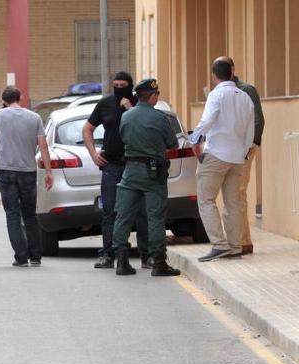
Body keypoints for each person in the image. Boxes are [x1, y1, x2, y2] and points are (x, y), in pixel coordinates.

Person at [111, 79, 182, 276]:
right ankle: (158, 262)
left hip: (130, 172)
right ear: (152, 96)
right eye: (156, 94)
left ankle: (122, 261)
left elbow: (123, 136)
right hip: (153, 174)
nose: (157, 97)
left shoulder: (127, 116)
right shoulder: (160, 118)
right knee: (155, 218)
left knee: (123, 216)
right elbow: (172, 143)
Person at [188, 59, 255, 262]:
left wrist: (194, 138)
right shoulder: (245, 97)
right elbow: (250, 131)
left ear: (213, 75)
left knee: (206, 200)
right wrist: (243, 153)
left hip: (216, 154)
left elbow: (207, 120)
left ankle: (219, 245)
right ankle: (235, 247)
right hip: (237, 157)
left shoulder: (216, 95)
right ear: (232, 74)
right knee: (233, 203)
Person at [83, 72, 150, 269]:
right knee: (110, 211)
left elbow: (146, 129)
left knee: (142, 211)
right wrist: (94, 153)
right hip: (111, 165)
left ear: (131, 86)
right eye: (116, 85)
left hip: (136, 163)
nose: (119, 88)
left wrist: (130, 109)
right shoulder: (105, 104)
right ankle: (108, 254)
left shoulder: (140, 104)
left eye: (123, 85)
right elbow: (87, 129)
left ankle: (147, 256)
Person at [0, 86, 53, 268]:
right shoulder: (35, 117)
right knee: (30, 214)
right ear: (21, 97)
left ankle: (21, 256)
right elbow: (43, 146)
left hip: (6, 169)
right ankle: (36, 256)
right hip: (28, 171)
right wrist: (48, 172)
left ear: (4, 100)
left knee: (12, 214)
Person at [214, 56, 265, 255]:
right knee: (231, 194)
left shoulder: (247, 90)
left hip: (244, 149)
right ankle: (237, 239)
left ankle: (243, 242)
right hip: (225, 150)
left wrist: (251, 146)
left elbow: (258, 120)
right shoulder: (218, 92)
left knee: (238, 192)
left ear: (232, 69)